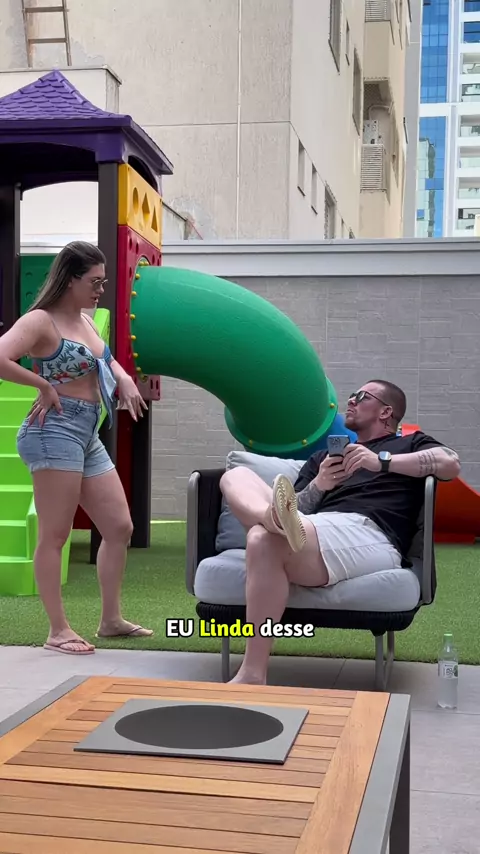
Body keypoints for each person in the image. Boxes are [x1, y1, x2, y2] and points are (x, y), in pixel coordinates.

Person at [220, 379, 461, 685]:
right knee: (237, 477)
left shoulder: (408, 445)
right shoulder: (324, 458)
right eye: (351, 396)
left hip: (369, 534)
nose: (351, 401)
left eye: (361, 396)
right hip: (314, 529)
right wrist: (318, 485)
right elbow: (296, 510)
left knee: (262, 537)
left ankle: (253, 674)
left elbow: (450, 464)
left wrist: (381, 462)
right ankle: (267, 517)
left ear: (386, 412)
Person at [0, 241, 153, 655]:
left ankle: (110, 620)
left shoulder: (86, 321)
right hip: (54, 429)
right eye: (94, 282)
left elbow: (106, 360)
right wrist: (43, 384)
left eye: (103, 282)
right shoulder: (41, 321)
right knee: (55, 534)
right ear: (70, 280)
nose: (101, 289)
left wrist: (124, 378)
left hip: (87, 431)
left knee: (119, 527)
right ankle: (58, 630)